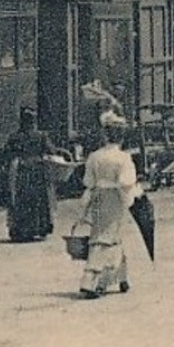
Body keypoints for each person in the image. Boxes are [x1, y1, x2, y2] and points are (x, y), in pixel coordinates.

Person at [76, 120, 140, 298]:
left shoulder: (94, 156)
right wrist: (131, 198)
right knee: (105, 237)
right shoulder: (123, 158)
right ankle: (90, 281)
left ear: (105, 136)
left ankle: (121, 276)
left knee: (106, 235)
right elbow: (126, 182)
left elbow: (88, 181)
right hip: (114, 198)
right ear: (121, 137)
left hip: (97, 196)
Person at [5, 108, 55, 242]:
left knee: (21, 200)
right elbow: (51, 150)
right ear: (34, 122)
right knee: (39, 199)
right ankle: (39, 228)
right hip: (38, 171)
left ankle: (22, 230)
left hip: (22, 170)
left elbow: (7, 153)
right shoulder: (41, 136)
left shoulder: (15, 137)